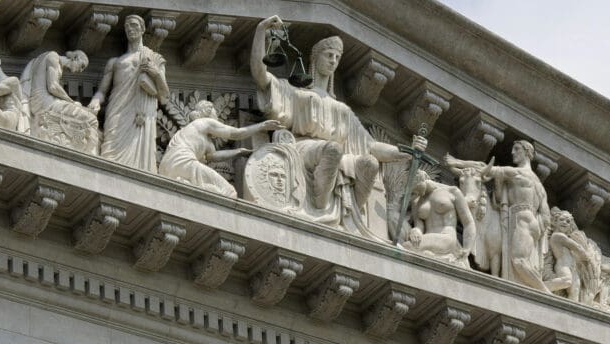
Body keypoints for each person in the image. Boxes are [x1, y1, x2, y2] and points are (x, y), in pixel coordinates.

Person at [250, 15, 419, 227]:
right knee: (332, 149)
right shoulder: (295, 93)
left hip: (335, 157)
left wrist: (406, 152)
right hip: (303, 148)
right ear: (315, 58)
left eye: (337, 58)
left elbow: (371, 147)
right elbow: (260, 75)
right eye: (329, 55)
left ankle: (350, 220)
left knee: (369, 163)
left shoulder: (342, 110)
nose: (333, 61)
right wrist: (260, 31)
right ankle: (319, 208)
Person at [88, 15, 170, 172]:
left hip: (140, 113)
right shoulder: (115, 62)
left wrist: (156, 73)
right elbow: (101, 91)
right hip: (117, 110)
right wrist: (95, 101)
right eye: (127, 27)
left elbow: (164, 96)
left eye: (133, 25)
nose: (130, 29)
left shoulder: (154, 59)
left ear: (142, 29)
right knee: (109, 150)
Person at [159, 100, 282, 198]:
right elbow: (236, 134)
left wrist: (239, 152)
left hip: (167, 167)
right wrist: (262, 126)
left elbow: (213, 156)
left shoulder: (201, 137)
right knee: (229, 192)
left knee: (220, 191)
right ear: (208, 112)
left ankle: (190, 188)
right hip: (184, 163)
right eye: (215, 112)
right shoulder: (204, 122)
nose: (217, 117)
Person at [478, 140, 551, 291]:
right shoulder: (540, 186)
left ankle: (545, 293)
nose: (512, 153)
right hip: (529, 222)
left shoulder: (519, 173)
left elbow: (484, 169)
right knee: (518, 263)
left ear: (527, 153)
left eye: (516, 149)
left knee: (518, 261)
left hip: (522, 219)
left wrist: (458, 162)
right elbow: (545, 218)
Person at [20, 50, 99, 154]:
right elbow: (53, 86)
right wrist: (71, 102)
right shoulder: (53, 57)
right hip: (45, 103)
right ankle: (90, 155)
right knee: (91, 119)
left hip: (42, 102)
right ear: (75, 58)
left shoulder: (49, 59)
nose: (80, 70)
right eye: (82, 66)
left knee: (82, 111)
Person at [400, 170, 477, 267]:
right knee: (409, 247)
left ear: (422, 178)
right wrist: (415, 230)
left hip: (446, 236)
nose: (415, 191)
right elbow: (419, 226)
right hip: (428, 238)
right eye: (413, 189)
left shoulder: (452, 192)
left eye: (415, 186)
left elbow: (468, 223)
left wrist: (467, 248)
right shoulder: (416, 202)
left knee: (407, 247)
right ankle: (431, 256)